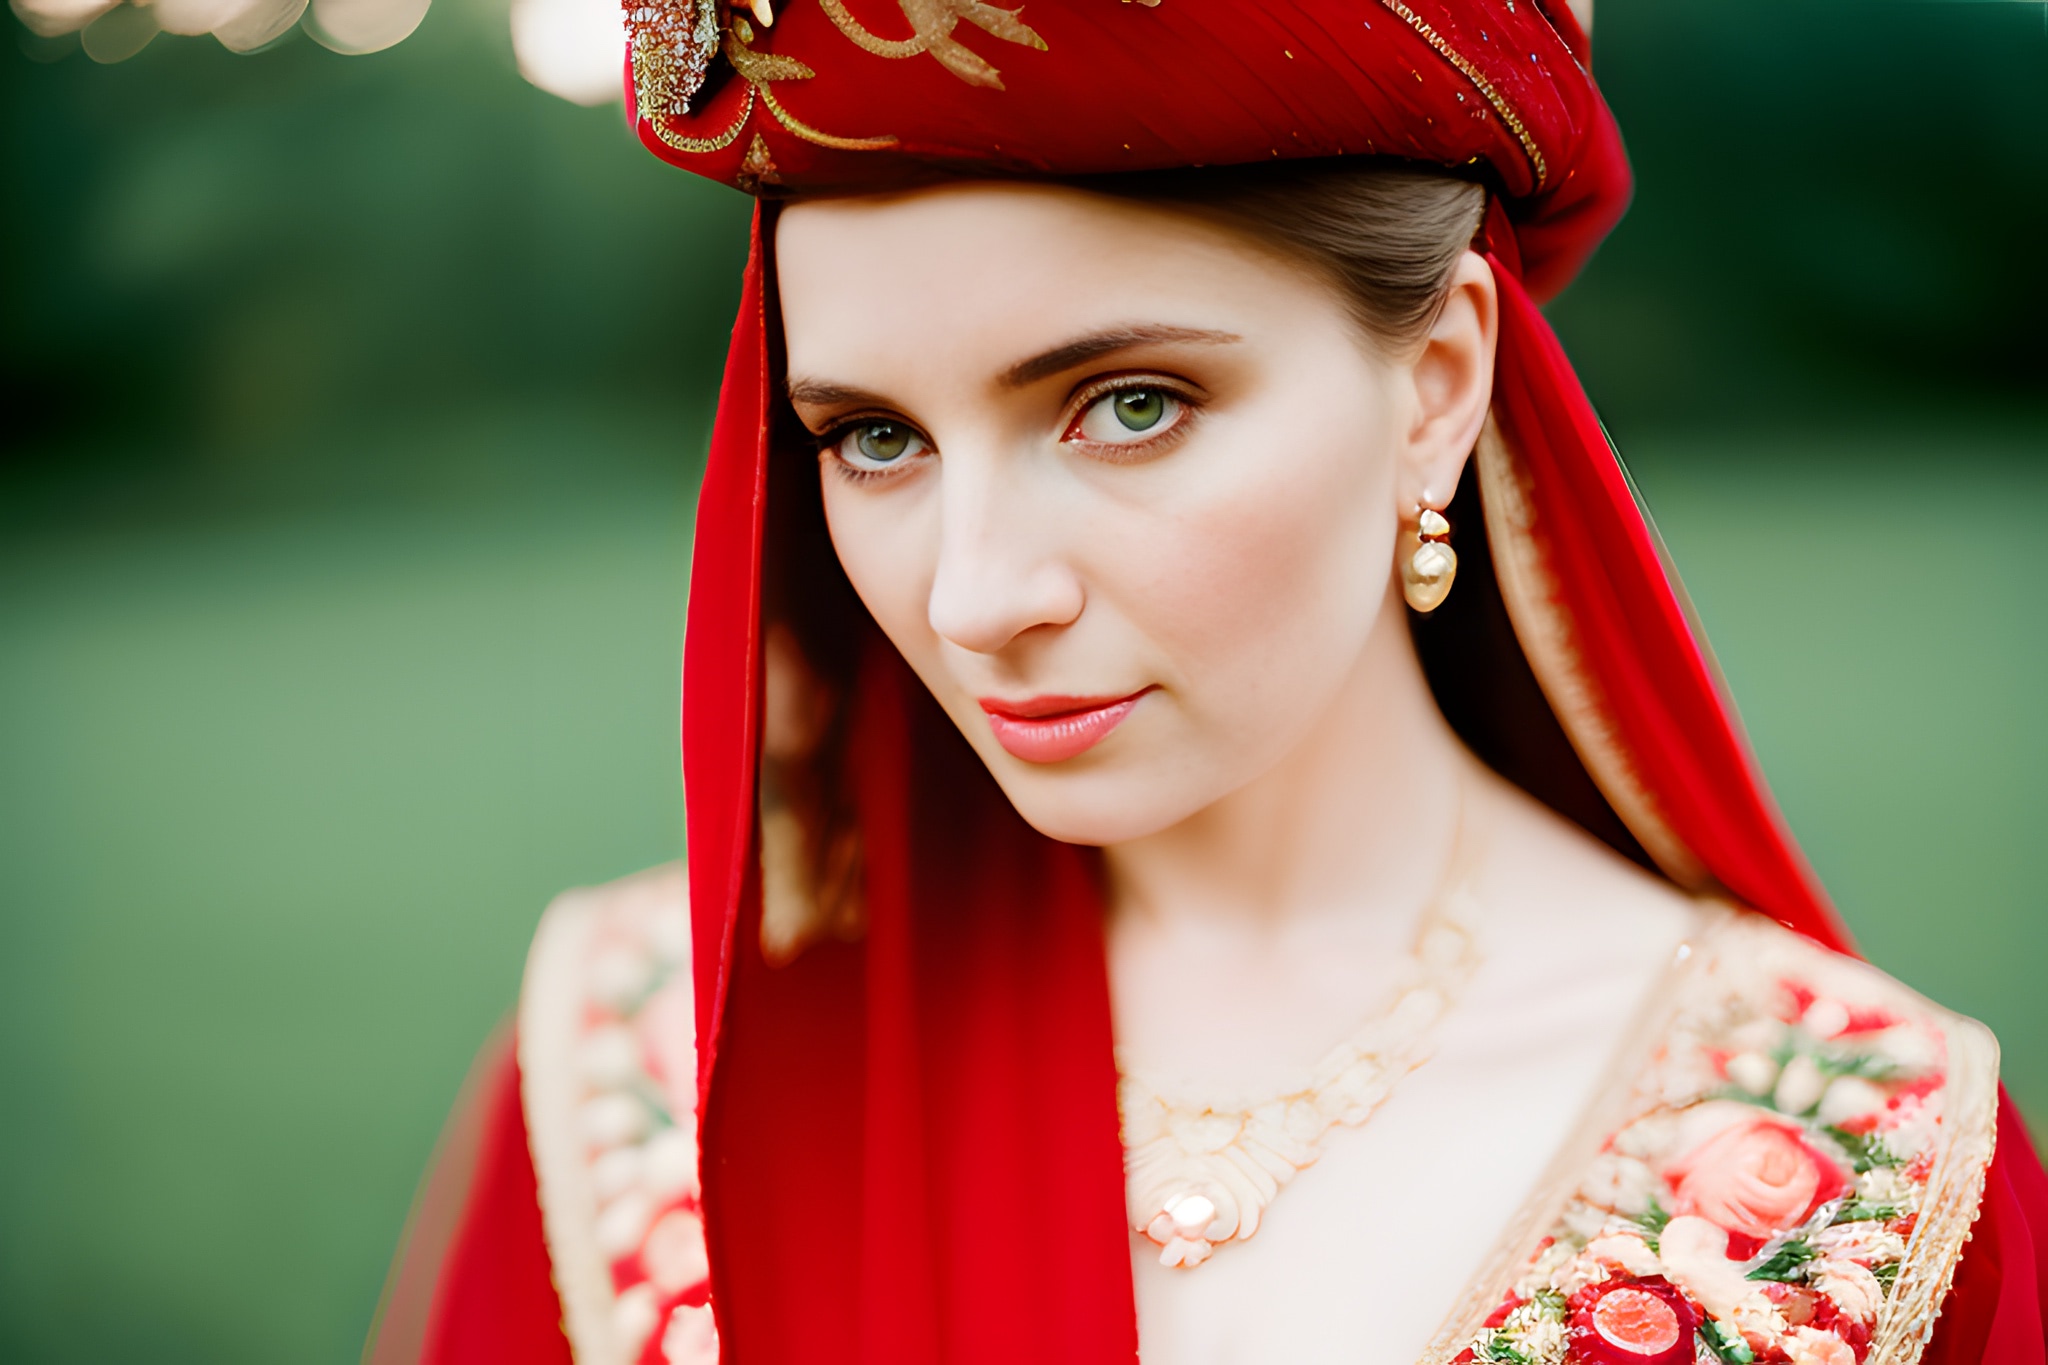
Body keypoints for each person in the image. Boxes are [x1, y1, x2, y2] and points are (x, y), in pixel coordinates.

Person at [369, 2, 2048, 1362]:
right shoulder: (637, 1063)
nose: (975, 594)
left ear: (1437, 383)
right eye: (873, 437)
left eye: (1129, 403)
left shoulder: (1871, 1172)